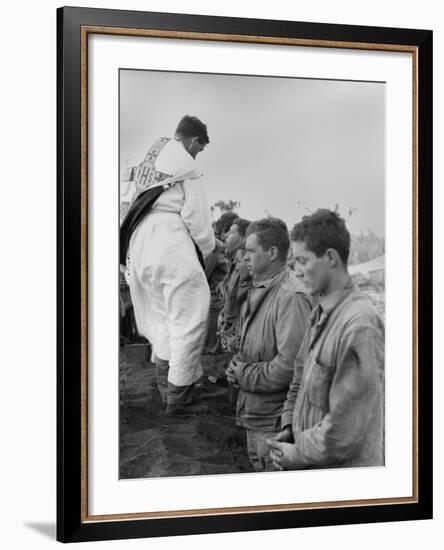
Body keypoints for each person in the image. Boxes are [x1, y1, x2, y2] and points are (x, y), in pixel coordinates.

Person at [268, 209, 385, 470]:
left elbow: (345, 429)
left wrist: (298, 452)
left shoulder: (360, 324)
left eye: (302, 261)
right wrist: (290, 426)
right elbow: (299, 379)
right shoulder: (319, 313)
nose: (295, 271)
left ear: (330, 257)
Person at [127, 115, 215, 415]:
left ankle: (165, 389)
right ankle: (178, 401)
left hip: (137, 245)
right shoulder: (186, 164)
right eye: (199, 149)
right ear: (192, 141)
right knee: (190, 317)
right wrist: (207, 250)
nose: (196, 154)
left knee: (163, 319)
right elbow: (197, 218)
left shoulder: (140, 160)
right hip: (169, 243)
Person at [225, 217, 312, 471]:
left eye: (251, 251)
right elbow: (256, 346)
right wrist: (236, 366)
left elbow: (290, 367)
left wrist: (243, 374)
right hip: (256, 415)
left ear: (272, 253)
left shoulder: (291, 298)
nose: (245, 257)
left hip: (275, 424)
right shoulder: (261, 288)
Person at [202, 211, 240, 354]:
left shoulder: (222, 248)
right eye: (230, 232)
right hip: (214, 303)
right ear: (224, 230)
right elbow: (203, 275)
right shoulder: (213, 248)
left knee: (218, 346)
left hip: (221, 303)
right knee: (211, 348)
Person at [217, 218, 251, 354]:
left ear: (243, 239)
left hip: (240, 335)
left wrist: (228, 324)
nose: (225, 236)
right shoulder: (232, 262)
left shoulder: (244, 263)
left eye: (231, 233)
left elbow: (236, 299)